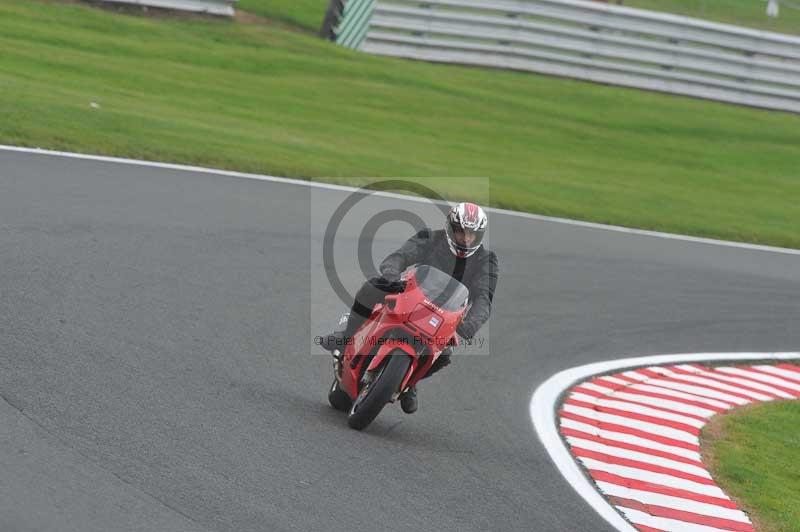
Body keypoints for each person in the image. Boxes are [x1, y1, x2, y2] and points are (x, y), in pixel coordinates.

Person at [322, 202, 499, 414]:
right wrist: (391, 274)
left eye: (473, 234)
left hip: (447, 315)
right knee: (371, 288)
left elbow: (483, 298)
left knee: (444, 354)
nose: (466, 239)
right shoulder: (430, 238)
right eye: (461, 232)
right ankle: (346, 337)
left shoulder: (486, 260)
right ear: (450, 227)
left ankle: (410, 383)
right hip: (413, 294)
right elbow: (401, 256)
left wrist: (471, 325)